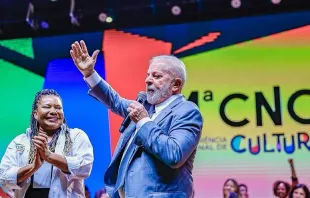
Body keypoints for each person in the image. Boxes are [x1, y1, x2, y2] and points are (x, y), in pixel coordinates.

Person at [70, 40, 203, 198]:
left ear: (176, 85)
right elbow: (115, 101)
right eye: (148, 75)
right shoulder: (145, 107)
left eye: (156, 76)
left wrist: (144, 122)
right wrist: (90, 74)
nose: (147, 80)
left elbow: (174, 154)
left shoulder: (187, 111)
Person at [0, 89, 94, 198]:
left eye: (58, 107)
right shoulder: (20, 142)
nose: (53, 111)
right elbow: (3, 177)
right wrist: (33, 167)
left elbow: (85, 167)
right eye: (47, 106)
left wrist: (48, 156)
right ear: (35, 114)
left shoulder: (76, 137)